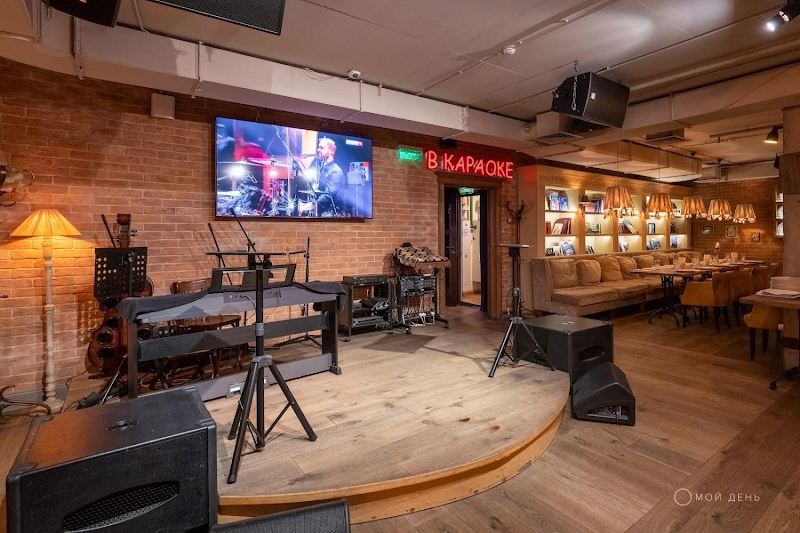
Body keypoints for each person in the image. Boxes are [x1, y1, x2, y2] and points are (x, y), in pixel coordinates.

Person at [311, 137, 346, 215]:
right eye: (318, 147)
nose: (318, 150)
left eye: (321, 148)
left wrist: (312, 205)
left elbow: (329, 195)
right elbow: (321, 189)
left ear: (331, 152)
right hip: (324, 209)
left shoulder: (335, 171)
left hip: (333, 213)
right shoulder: (322, 168)